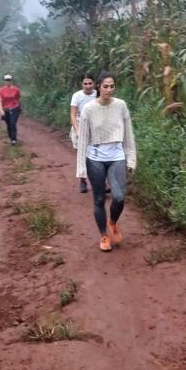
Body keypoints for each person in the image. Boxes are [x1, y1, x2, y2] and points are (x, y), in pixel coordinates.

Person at [76, 71, 136, 252]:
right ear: (98, 87)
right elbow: (84, 139)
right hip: (95, 157)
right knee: (99, 199)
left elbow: (128, 133)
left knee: (119, 196)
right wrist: (81, 168)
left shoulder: (121, 106)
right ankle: (103, 235)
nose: (109, 90)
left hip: (117, 155)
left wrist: (131, 158)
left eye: (112, 86)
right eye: (105, 86)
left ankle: (113, 222)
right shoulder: (89, 109)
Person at [69, 72, 97, 193]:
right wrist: (77, 129)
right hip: (80, 124)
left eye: (90, 83)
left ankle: (99, 182)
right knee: (82, 155)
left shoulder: (98, 94)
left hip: (95, 125)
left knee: (97, 155)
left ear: (94, 83)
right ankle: (83, 180)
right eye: (85, 83)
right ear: (82, 84)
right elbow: (73, 114)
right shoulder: (77, 96)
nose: (88, 86)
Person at [0, 74, 21, 144]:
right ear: (4, 81)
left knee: (12, 123)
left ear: (11, 80)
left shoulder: (16, 89)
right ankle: (11, 137)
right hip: (6, 109)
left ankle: (14, 139)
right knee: (8, 124)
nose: (8, 81)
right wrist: (1, 110)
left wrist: (19, 107)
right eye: (6, 80)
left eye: (9, 80)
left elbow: (18, 98)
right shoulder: (1, 90)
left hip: (15, 108)